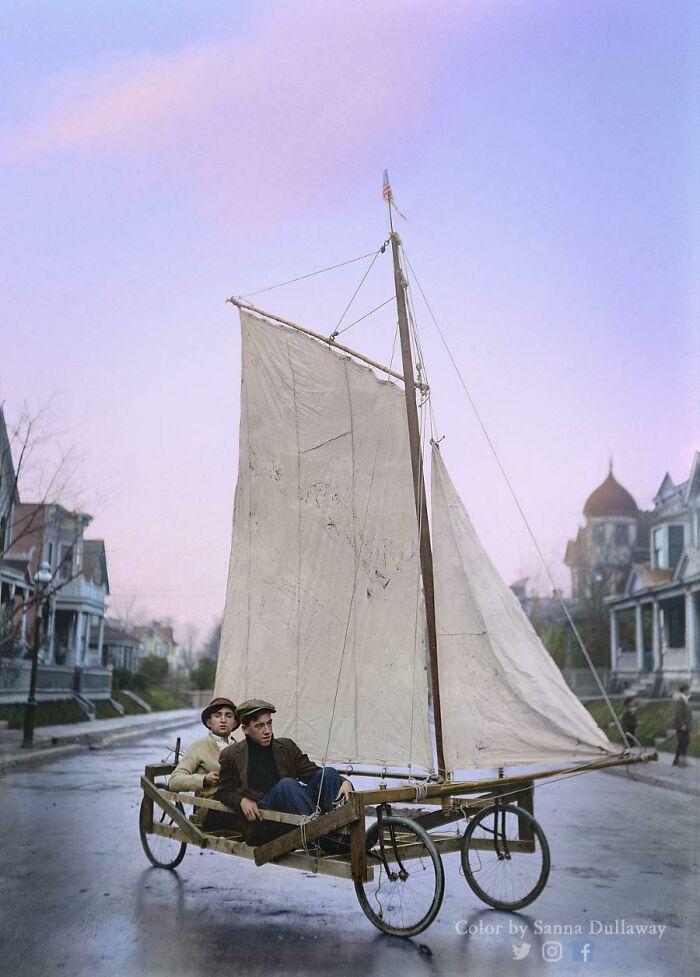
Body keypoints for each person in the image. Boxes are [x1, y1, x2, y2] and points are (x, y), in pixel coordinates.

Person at [215, 699, 353, 851]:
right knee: (287, 785)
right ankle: (325, 838)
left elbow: (314, 773)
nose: (267, 731)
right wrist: (242, 801)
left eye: (269, 723)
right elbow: (223, 792)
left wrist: (344, 782)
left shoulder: (286, 747)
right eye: (259, 726)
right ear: (245, 729)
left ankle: (343, 833)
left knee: (329, 773)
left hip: (295, 812)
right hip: (264, 820)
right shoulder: (231, 754)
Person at [169, 696, 239, 828]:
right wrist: (204, 780)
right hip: (211, 810)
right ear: (209, 722)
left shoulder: (240, 747)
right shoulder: (199, 746)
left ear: (234, 723)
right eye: (217, 716)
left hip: (237, 804)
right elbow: (174, 781)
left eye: (228, 716)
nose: (223, 720)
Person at [672, 683, 693, 768]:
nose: (689, 691)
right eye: (687, 689)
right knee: (683, 742)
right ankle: (680, 761)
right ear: (684, 690)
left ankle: (677, 761)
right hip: (682, 727)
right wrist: (682, 724)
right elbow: (679, 714)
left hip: (686, 726)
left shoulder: (685, 700)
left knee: (684, 742)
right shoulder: (681, 700)